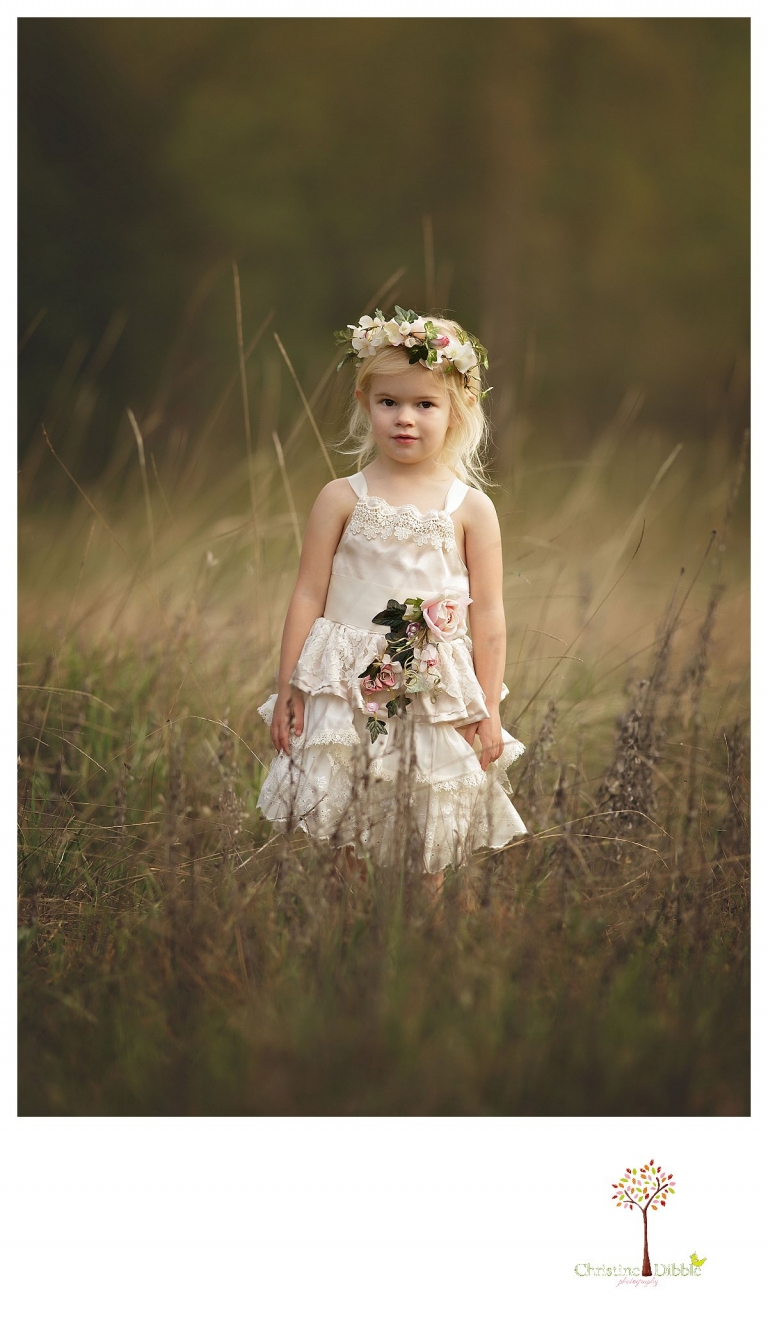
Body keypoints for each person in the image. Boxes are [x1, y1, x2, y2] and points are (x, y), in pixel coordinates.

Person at [256, 308, 528, 896]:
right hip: (345, 685)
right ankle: (352, 928)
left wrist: (488, 708)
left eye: (425, 404)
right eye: (389, 402)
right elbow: (307, 594)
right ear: (365, 403)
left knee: (427, 823)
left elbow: (489, 614)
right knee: (345, 819)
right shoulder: (340, 497)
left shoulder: (470, 508)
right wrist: (289, 687)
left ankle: (423, 935)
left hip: (431, 688)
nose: (405, 417)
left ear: (458, 410)